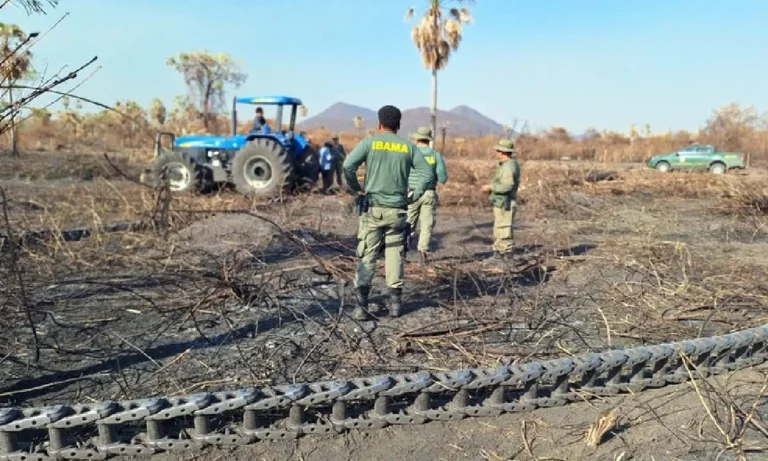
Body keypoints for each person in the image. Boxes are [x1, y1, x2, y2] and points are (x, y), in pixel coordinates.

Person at [342, 105, 422, 320]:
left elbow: (348, 166)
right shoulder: (408, 147)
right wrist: (414, 196)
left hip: (373, 209)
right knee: (395, 253)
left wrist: (357, 189)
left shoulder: (369, 143)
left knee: (367, 253)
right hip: (397, 210)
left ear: (379, 124)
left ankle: (361, 307)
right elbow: (426, 174)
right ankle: (395, 305)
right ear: (398, 125)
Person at [406, 127, 448, 263]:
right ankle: (423, 251)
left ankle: (403, 250)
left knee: (408, 223)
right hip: (429, 193)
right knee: (426, 224)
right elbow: (442, 178)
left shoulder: (409, 154)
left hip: (411, 193)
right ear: (429, 140)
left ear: (417, 139)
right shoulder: (435, 156)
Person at [480, 139, 520, 261]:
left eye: (497, 151)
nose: (496, 153)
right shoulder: (507, 165)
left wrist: (490, 187)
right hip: (501, 202)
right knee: (499, 229)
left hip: (505, 203)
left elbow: (508, 185)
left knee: (504, 229)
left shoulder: (508, 167)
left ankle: (506, 256)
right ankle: (498, 254)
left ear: (502, 152)